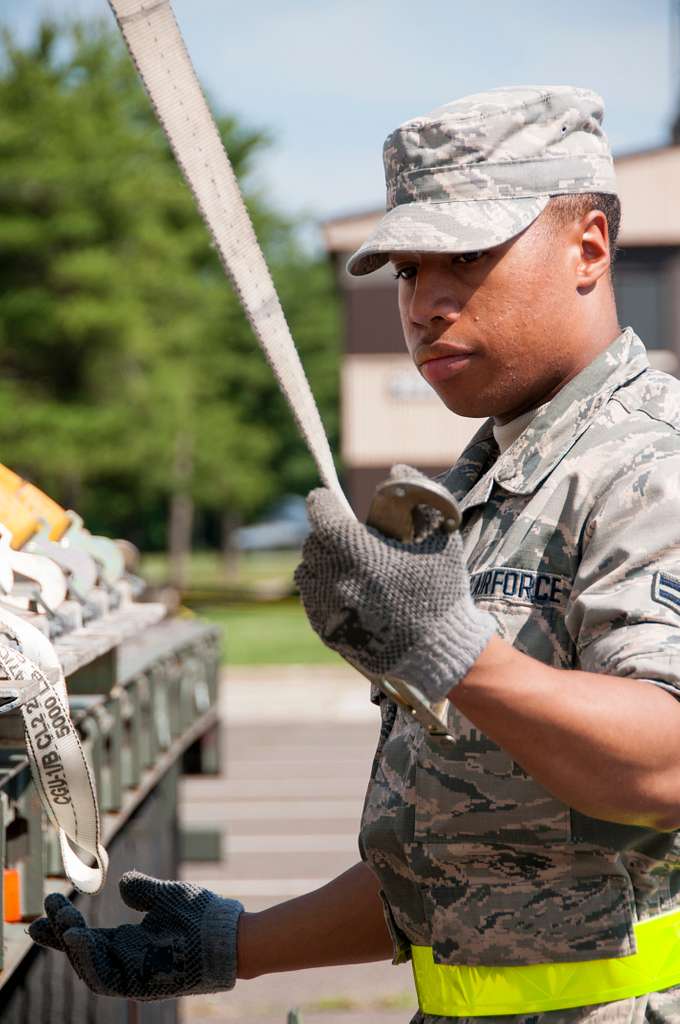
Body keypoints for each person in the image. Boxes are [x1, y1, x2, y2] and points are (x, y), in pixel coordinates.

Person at [29, 86, 680, 1023]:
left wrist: (455, 652)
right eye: (409, 270)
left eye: (467, 255)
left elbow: (662, 770)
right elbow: (474, 876)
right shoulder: (486, 487)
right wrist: (231, 948)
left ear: (589, 246)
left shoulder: (648, 467)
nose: (426, 303)